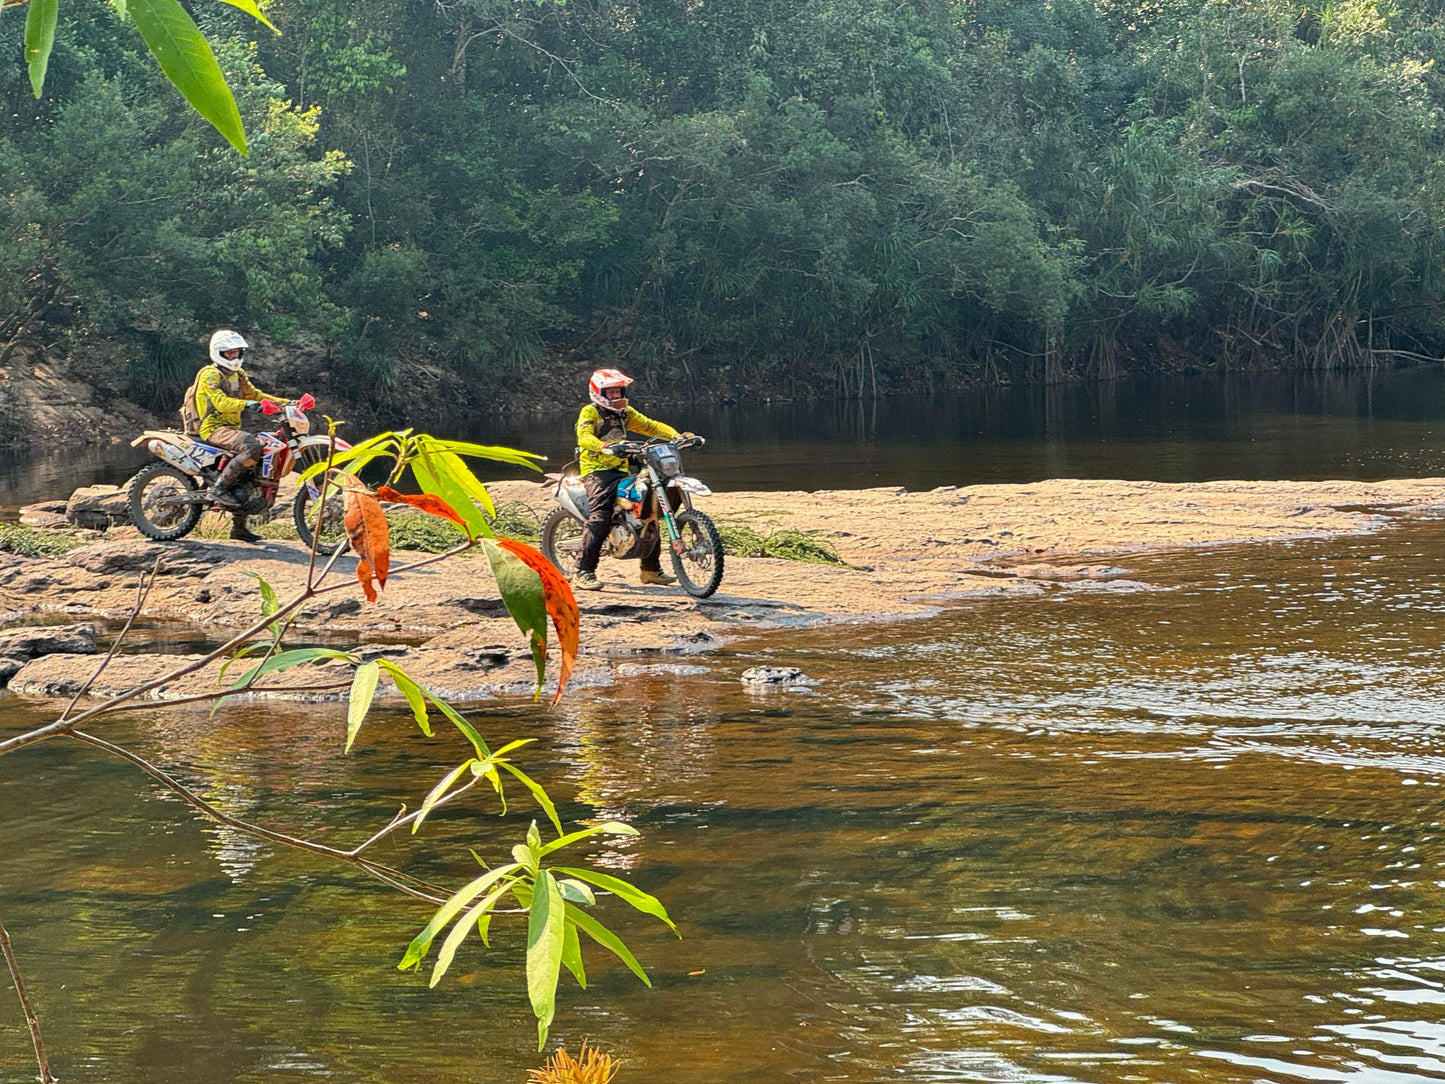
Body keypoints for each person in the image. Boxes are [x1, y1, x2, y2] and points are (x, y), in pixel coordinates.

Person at [572, 368, 686, 591]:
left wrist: (676, 435)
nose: (616, 396)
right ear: (598, 393)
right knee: (600, 516)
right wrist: (605, 446)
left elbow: (650, 426)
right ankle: (583, 571)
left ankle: (650, 570)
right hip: (597, 471)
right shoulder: (590, 412)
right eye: (611, 392)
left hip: (621, 468)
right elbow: (584, 437)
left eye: (618, 391)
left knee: (649, 509)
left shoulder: (625, 413)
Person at [195, 330, 289, 543]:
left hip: (231, 428)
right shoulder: (210, 375)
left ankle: (239, 528)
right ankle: (218, 489)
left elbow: (256, 395)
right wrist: (248, 404)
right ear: (218, 353)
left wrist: (286, 403)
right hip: (213, 428)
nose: (234, 356)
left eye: (236, 352)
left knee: (251, 472)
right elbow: (221, 403)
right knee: (252, 446)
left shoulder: (238, 375)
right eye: (229, 353)